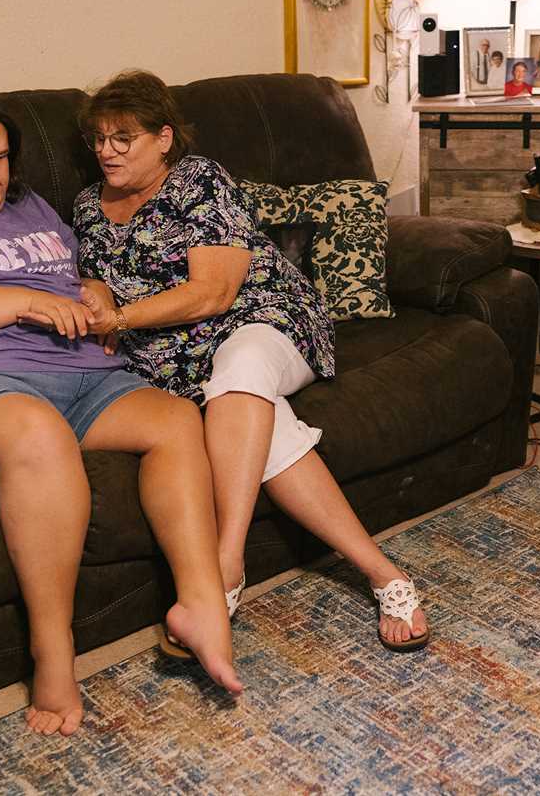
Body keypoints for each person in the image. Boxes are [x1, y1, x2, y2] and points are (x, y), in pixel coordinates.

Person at [0, 82, 244, 738]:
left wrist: (89, 288)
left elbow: (68, 274)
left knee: (174, 418)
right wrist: (23, 304)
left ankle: (202, 605)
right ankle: (53, 651)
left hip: (73, 366)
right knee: (36, 428)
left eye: (2, 155)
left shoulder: (28, 206)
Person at [70, 70, 430, 652]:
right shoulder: (89, 205)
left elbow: (214, 293)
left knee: (240, 374)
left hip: (263, 318)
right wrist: (101, 293)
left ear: (163, 138)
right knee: (262, 419)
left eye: (122, 139)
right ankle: (384, 572)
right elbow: (93, 272)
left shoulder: (199, 181)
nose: (106, 152)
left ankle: (225, 565)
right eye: (99, 140)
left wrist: (118, 320)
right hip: (175, 357)